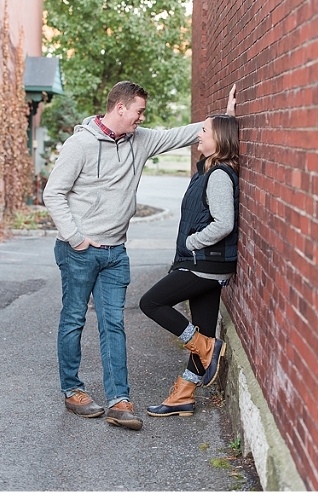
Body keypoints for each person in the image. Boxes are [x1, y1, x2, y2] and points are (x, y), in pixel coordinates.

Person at [44, 81, 213, 430]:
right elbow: (54, 193)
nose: (142, 118)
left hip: (116, 254)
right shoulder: (81, 144)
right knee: (74, 319)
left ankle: (120, 401)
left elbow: (181, 134)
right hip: (80, 252)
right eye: (138, 111)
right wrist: (76, 238)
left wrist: (221, 117)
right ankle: (73, 390)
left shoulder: (142, 140)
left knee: (113, 325)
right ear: (120, 108)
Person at [138, 85, 239, 417]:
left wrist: (194, 242)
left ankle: (206, 347)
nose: (198, 133)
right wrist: (227, 114)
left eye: (204, 130)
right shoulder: (207, 169)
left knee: (151, 302)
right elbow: (219, 134)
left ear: (219, 139)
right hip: (205, 264)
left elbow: (224, 222)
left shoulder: (220, 176)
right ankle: (183, 394)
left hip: (204, 263)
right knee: (204, 326)